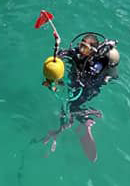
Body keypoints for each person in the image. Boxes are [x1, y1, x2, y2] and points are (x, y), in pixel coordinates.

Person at [43, 34, 119, 162]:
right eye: (80, 44)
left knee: (69, 107)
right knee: (67, 106)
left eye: (84, 46)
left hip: (89, 88)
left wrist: (64, 83)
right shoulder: (78, 53)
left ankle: (87, 119)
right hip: (76, 83)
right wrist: (57, 54)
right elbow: (64, 54)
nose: (80, 48)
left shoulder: (96, 65)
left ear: (92, 51)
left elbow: (89, 81)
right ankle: (66, 126)